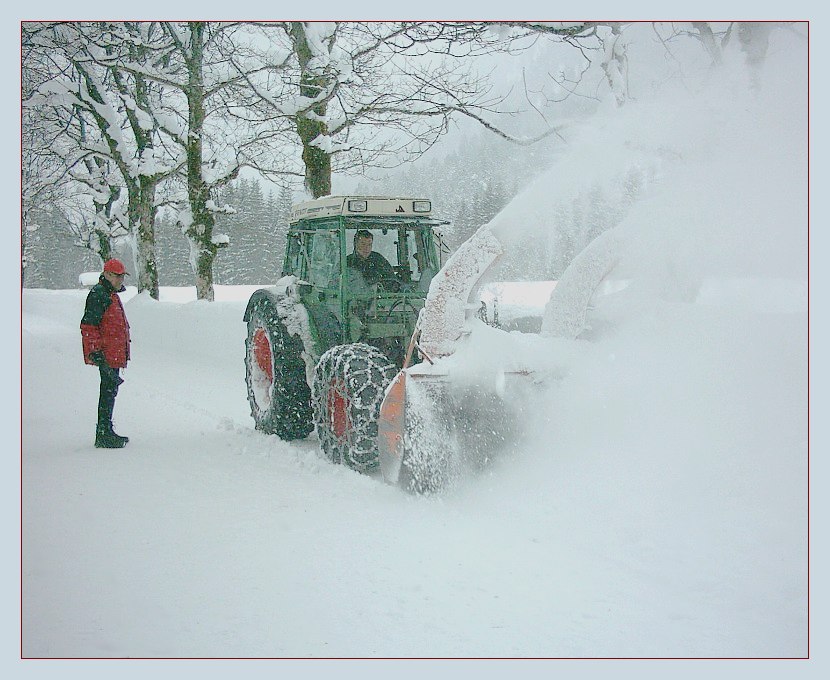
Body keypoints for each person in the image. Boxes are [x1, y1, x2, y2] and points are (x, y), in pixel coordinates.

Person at [80, 258, 131, 448]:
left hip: (113, 352)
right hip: (106, 353)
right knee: (108, 392)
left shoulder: (110, 293)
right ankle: (103, 434)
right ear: (107, 274)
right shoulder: (99, 294)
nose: (120, 280)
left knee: (110, 391)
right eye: (118, 276)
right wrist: (95, 352)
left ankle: (106, 430)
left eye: (122, 277)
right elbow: (89, 325)